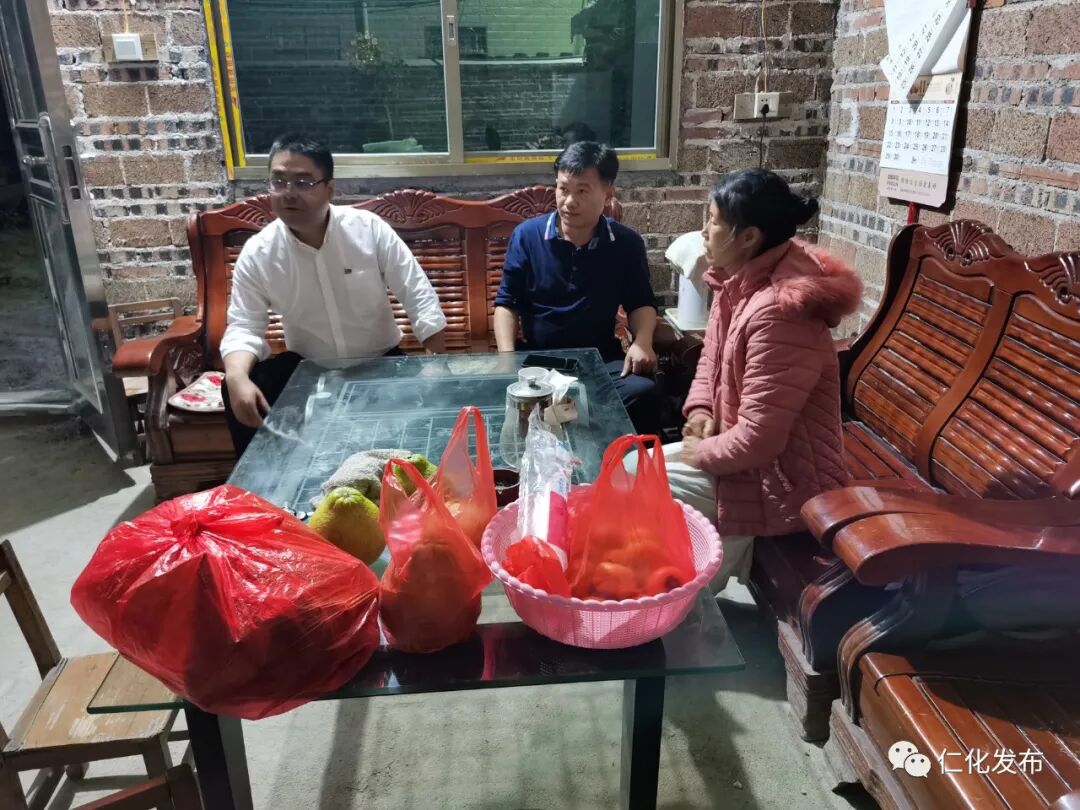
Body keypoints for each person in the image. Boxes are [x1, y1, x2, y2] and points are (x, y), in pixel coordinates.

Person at [661, 168, 862, 592]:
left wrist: (701, 453)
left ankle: (695, 591)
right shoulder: (738, 281)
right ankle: (690, 580)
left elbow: (760, 440)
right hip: (747, 458)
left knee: (642, 486)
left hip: (783, 481)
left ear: (748, 237)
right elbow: (711, 359)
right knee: (631, 470)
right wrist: (700, 410)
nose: (704, 232)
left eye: (713, 221)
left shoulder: (779, 312)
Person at [220, 133, 447, 454]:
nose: (289, 193)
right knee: (239, 383)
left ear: (329, 189)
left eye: (303, 182)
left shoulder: (368, 229)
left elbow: (418, 295)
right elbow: (244, 326)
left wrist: (437, 363)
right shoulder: (259, 252)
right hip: (306, 369)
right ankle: (263, 481)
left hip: (380, 362)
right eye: (279, 182)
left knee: (427, 425)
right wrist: (235, 376)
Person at [492, 141, 661, 433]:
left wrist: (642, 341)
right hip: (537, 363)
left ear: (608, 192)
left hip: (599, 360)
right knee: (496, 395)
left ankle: (612, 454)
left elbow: (641, 302)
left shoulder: (625, 243)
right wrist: (507, 357)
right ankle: (571, 417)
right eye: (563, 189)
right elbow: (507, 303)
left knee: (643, 391)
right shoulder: (527, 236)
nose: (569, 202)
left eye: (582, 191)